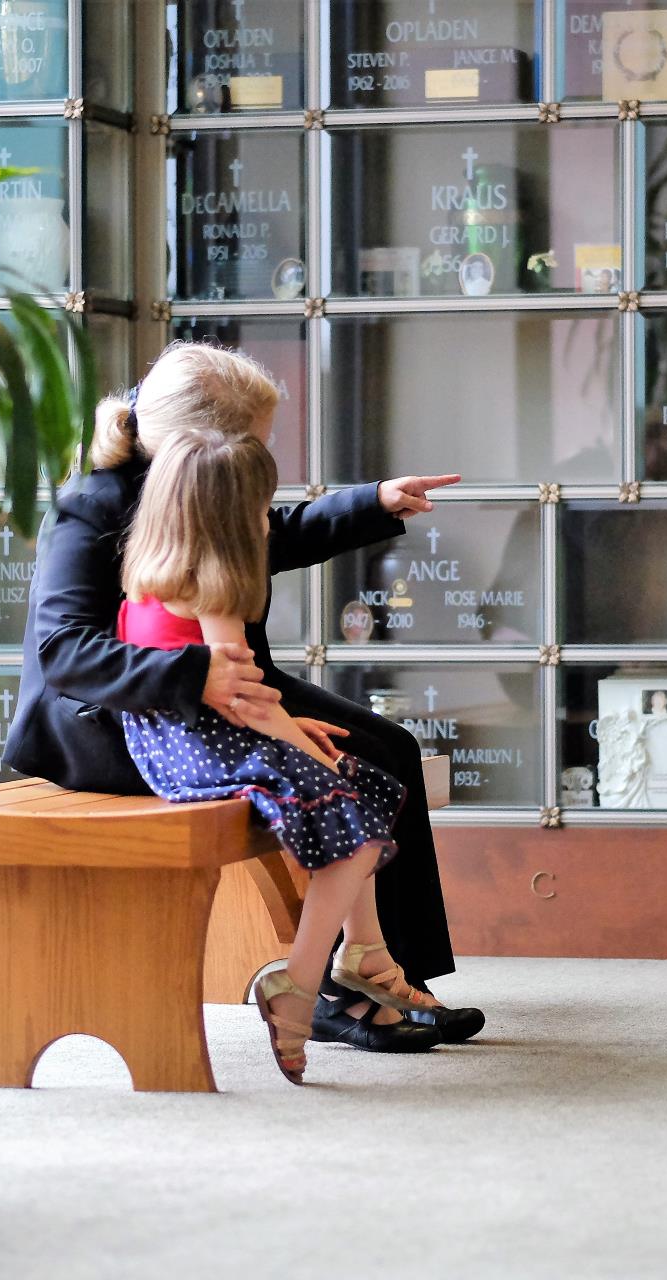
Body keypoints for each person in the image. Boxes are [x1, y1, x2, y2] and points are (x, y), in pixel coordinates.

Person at [3, 340, 483, 1052]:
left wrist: (372, 503)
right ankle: (330, 986)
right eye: (257, 443)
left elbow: (266, 535)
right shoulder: (93, 506)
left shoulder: (196, 478)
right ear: (204, 445)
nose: (266, 459)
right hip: (126, 719)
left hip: (217, 689)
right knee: (338, 774)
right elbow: (63, 652)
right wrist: (197, 676)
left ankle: (385, 975)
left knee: (387, 748)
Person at [114, 429, 450, 1082]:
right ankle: (299, 984)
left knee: (369, 784)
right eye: (261, 510)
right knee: (353, 817)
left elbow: (241, 695)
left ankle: (370, 954)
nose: (269, 523)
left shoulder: (154, 566)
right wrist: (297, 740)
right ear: (226, 518)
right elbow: (250, 706)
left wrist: (296, 730)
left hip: (178, 736)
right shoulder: (212, 586)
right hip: (203, 746)